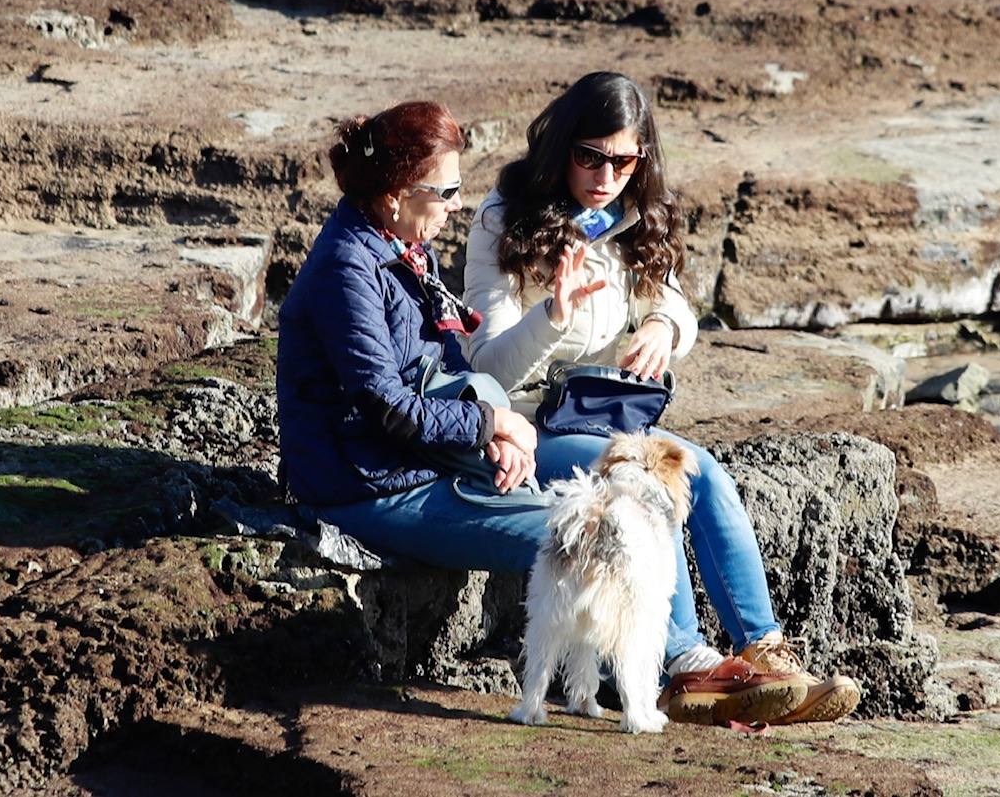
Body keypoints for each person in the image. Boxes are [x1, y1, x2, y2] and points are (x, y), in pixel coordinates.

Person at [277, 100, 804, 727]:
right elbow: (385, 404)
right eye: (443, 192)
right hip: (368, 487)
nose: (451, 207)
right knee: (588, 530)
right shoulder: (347, 267)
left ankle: (720, 659)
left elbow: (453, 369)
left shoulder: (397, 246)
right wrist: (490, 424)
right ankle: (680, 669)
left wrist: (490, 428)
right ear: (397, 191)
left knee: (625, 509)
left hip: (422, 462)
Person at [463, 72, 861, 724]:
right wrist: (553, 317)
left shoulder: (633, 216)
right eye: (589, 155)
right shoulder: (502, 218)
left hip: (609, 418)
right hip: (531, 426)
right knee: (643, 483)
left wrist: (660, 325)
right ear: (561, 145)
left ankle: (764, 653)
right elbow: (488, 367)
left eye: (622, 159)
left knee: (701, 470)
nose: (604, 174)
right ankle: (685, 663)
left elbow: (673, 299)